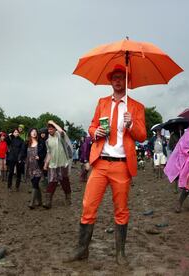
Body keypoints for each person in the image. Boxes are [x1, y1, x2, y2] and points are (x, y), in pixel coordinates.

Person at [65, 65, 146, 265]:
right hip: (100, 162)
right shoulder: (101, 103)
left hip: (122, 165)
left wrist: (131, 125)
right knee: (88, 206)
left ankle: (120, 253)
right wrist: (95, 133)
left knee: (121, 209)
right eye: (114, 78)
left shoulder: (136, 107)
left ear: (127, 81)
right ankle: (82, 249)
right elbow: (92, 126)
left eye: (121, 78)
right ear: (110, 81)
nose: (118, 81)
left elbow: (142, 136)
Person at [42, 120, 72, 209]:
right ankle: (48, 202)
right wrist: (45, 164)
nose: (49, 131)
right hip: (53, 164)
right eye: (49, 129)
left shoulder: (60, 136)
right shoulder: (47, 141)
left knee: (64, 181)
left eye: (51, 129)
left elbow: (61, 131)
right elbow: (49, 153)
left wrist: (53, 122)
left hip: (63, 163)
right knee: (52, 181)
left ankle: (68, 198)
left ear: (55, 129)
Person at [24, 128, 47, 209]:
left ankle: (32, 202)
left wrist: (40, 156)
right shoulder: (27, 143)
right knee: (35, 184)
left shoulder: (41, 142)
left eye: (35, 132)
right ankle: (40, 201)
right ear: (30, 133)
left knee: (35, 183)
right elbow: (23, 152)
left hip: (38, 166)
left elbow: (45, 153)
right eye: (32, 132)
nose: (34, 133)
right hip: (30, 166)